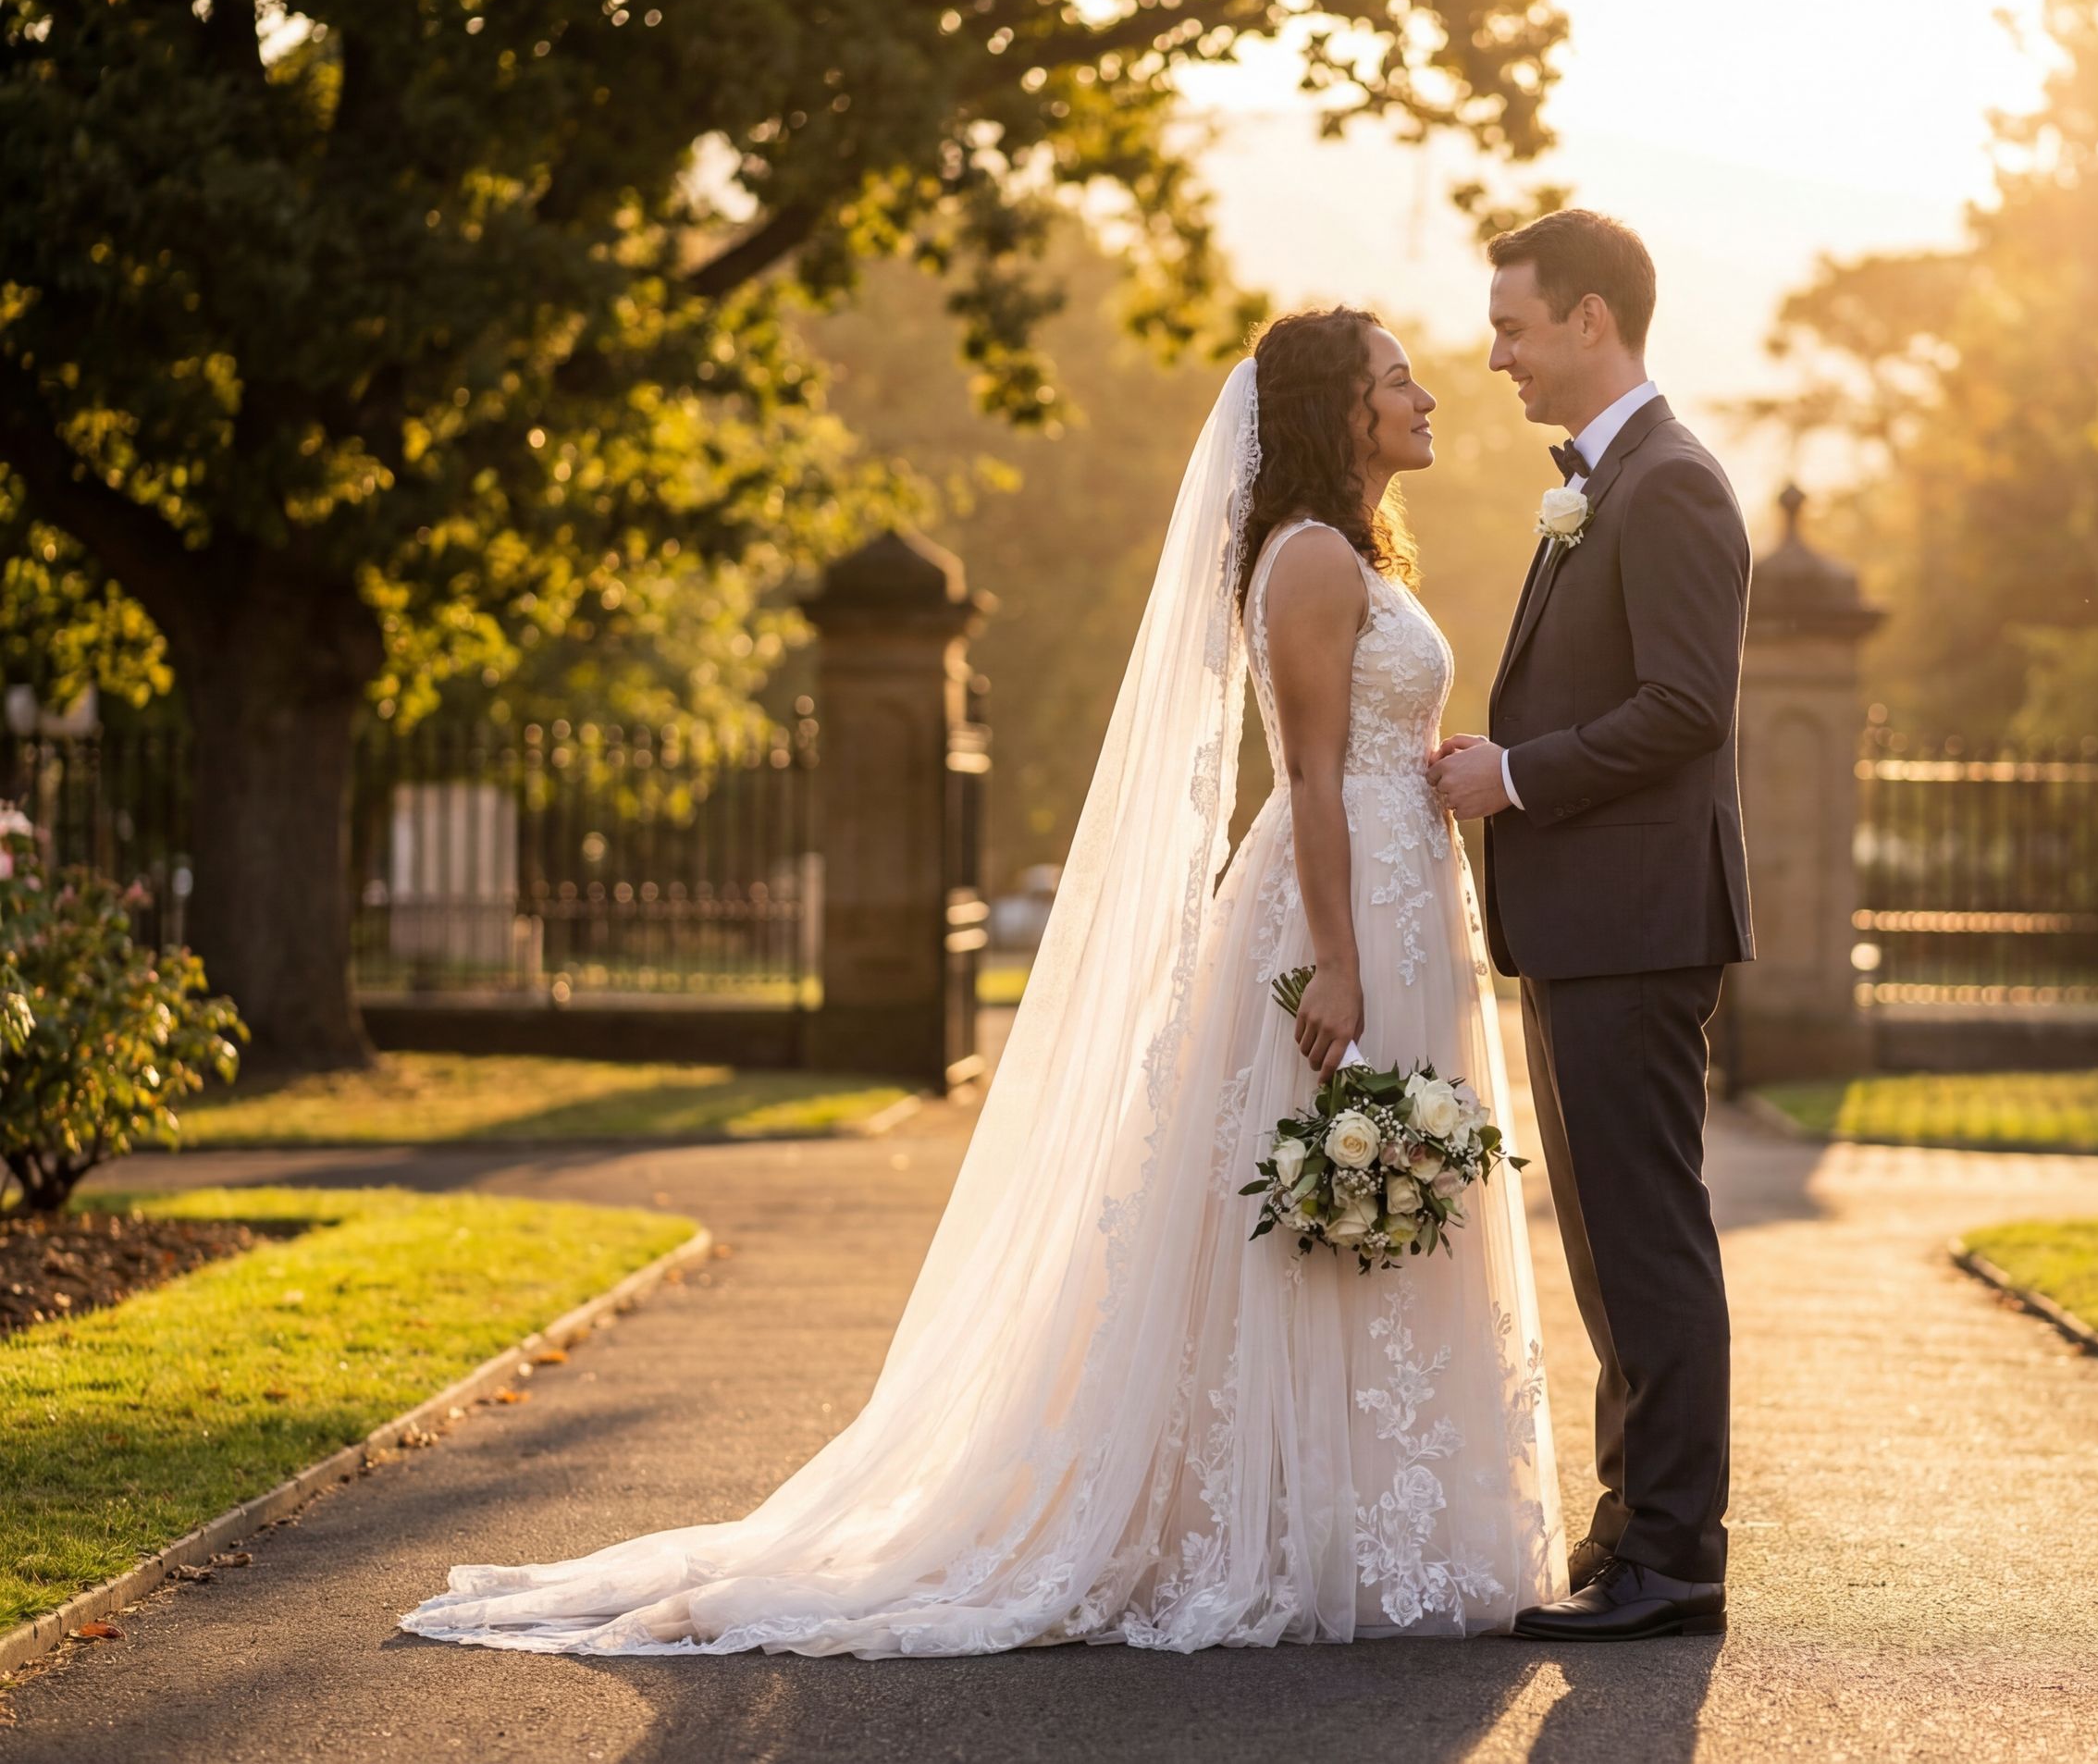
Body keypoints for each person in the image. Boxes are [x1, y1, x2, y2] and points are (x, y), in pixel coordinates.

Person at [402, 309, 1563, 1657]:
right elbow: (1305, 775)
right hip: (1344, 910)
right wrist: (1344, 963)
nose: (1427, 393)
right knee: (1311, 1202)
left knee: (1379, 1198)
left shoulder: (1362, 553)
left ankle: (1383, 1519)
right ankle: (1290, 1528)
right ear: (1334, 410)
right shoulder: (1308, 559)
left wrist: (1431, 767)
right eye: (1394, 379)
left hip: (1407, 890)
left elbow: (1360, 745)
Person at [1432, 208, 1752, 1643]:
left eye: (1512, 325)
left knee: (1649, 1243)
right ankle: (1633, 1532)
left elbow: (1688, 708)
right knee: (1614, 1250)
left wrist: (1513, 776)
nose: (1494, 354)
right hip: (1585, 924)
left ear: (1589, 321)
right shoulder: (1600, 485)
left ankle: (1675, 1557)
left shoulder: (1670, 485)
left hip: (1633, 921)